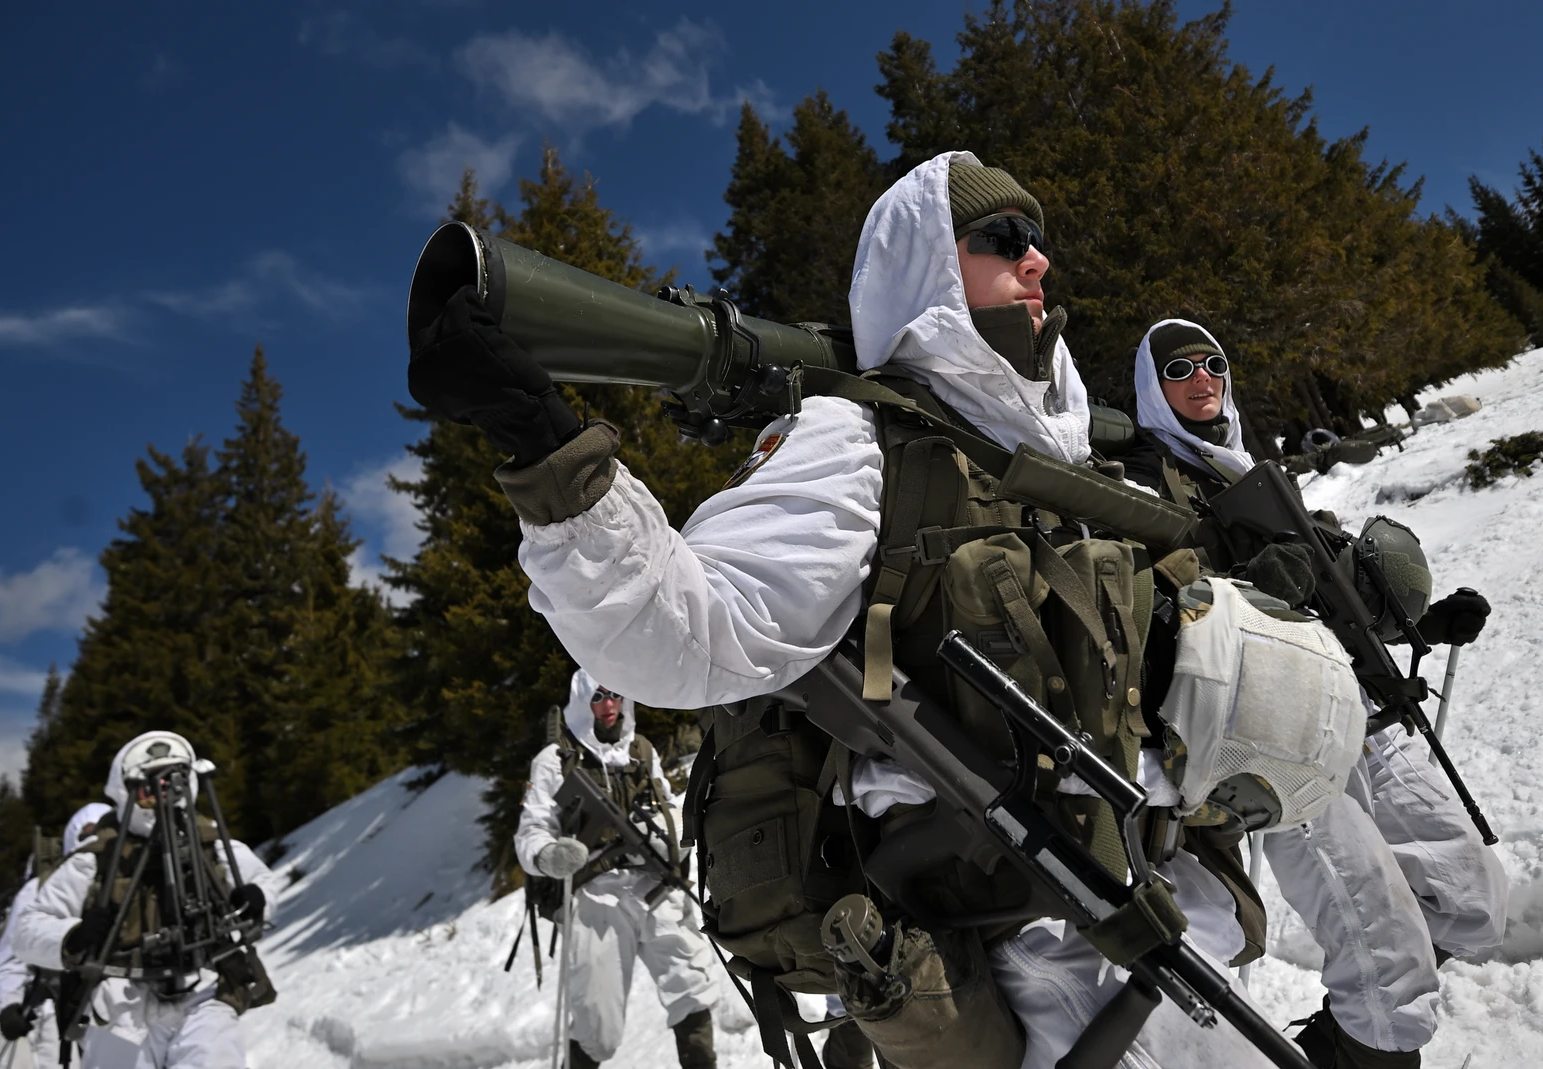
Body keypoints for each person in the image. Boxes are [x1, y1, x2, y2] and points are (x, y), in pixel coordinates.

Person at [410, 151, 1367, 1068]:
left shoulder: (1070, 455)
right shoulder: (858, 439)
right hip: (1023, 950)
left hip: (1150, 914)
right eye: (1001, 235)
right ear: (924, 268)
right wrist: (545, 443)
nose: (1037, 258)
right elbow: (687, 634)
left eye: (1036, 236)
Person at [1120, 319, 1511, 1068]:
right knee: (1387, 955)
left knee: (1473, 904)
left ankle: (1353, 1025)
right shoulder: (1137, 483)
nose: (1201, 378)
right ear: (1150, 386)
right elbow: (1153, 607)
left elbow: (1334, 584)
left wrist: (1417, 619)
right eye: (1178, 369)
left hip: (1361, 707)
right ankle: (1372, 1033)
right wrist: (1242, 589)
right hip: (1275, 730)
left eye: (1212, 364)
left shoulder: (1249, 470)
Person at [11, 731, 280, 1069]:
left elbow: (263, 882)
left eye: (172, 785)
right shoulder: (96, 858)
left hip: (204, 988)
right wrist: (74, 936)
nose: (161, 797)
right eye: (149, 791)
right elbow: (27, 929)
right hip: (122, 999)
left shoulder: (210, 844)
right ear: (126, 793)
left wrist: (257, 899)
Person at [516, 670, 721, 1069]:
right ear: (581, 701)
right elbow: (532, 830)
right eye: (597, 697)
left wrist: (670, 839)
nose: (608, 706)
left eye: (614, 695)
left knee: (693, 990)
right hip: (594, 896)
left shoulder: (640, 750)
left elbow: (666, 809)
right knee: (599, 1029)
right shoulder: (555, 759)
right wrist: (548, 855)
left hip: (653, 884)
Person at [0, 801, 113, 1068]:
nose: (95, 838)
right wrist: (7, 1006)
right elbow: (13, 955)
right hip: (54, 1017)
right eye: (87, 832)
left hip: (117, 1009)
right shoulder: (40, 889)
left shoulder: (132, 876)